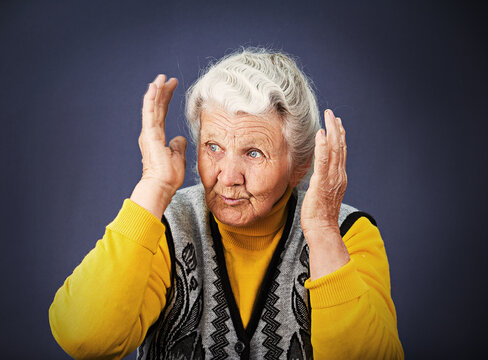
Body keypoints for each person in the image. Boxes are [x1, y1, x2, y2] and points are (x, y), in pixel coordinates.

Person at [49, 47, 404, 359]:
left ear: (299, 166)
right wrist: (154, 186)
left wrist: (324, 233)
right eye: (213, 147)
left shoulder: (348, 233)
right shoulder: (163, 224)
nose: (228, 176)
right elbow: (84, 339)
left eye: (253, 152)